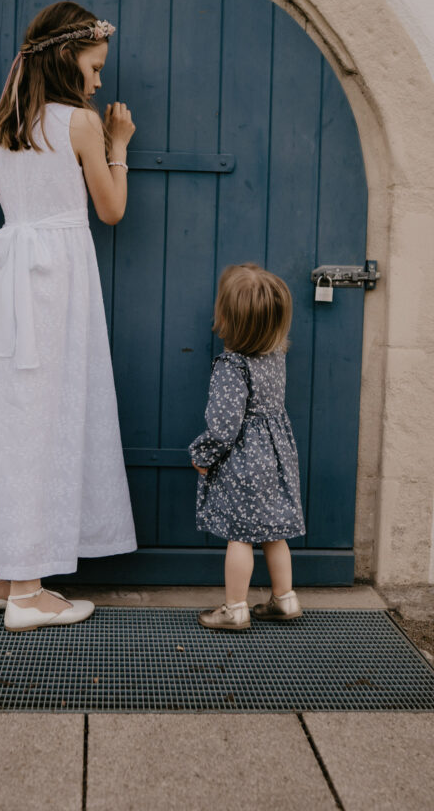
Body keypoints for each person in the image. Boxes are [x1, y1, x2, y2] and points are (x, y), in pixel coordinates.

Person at [0, 1, 137, 632]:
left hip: (5, 283)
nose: (98, 80)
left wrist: (19, 234)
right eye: (94, 66)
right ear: (67, 62)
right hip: (55, 283)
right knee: (43, 421)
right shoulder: (81, 125)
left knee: (3, 419)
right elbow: (110, 210)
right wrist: (118, 144)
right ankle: (28, 595)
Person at [189, 263, 306, 630]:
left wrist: (202, 455)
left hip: (244, 458)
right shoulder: (276, 356)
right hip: (276, 455)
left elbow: (224, 426)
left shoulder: (232, 365)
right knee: (273, 531)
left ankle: (235, 608)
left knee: (240, 535)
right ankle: (285, 600)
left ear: (226, 318)